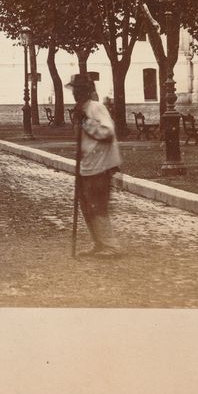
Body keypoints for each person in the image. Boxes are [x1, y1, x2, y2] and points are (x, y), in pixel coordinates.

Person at [69, 74, 123, 258]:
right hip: (86, 165)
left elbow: (108, 132)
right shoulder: (80, 110)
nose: (77, 93)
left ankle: (111, 246)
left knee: (98, 206)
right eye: (75, 90)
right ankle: (98, 243)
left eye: (81, 90)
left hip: (100, 166)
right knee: (86, 206)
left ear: (88, 91)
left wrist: (87, 122)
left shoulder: (96, 107)